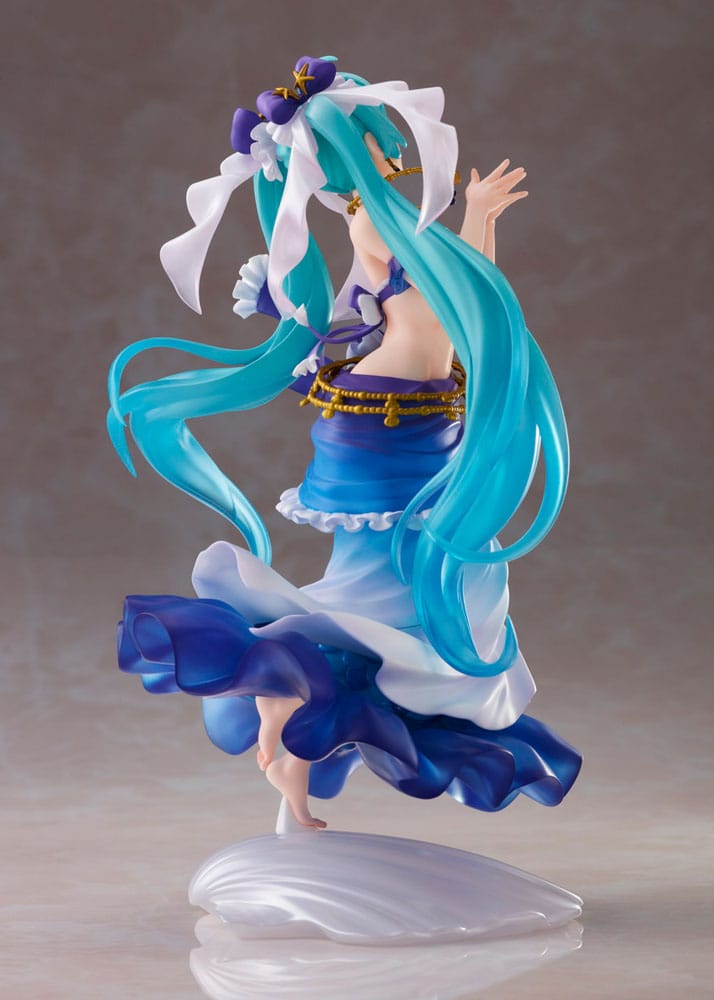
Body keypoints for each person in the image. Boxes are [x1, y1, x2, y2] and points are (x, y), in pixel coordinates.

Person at [109, 57, 580, 828]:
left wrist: (476, 220)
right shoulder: (389, 286)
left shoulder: (409, 293)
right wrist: (294, 305)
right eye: (357, 197)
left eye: (379, 192)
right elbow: (429, 297)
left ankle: (286, 726)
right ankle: (287, 712)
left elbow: (460, 294)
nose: (370, 215)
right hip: (380, 451)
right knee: (391, 623)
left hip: (391, 450)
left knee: (384, 620)